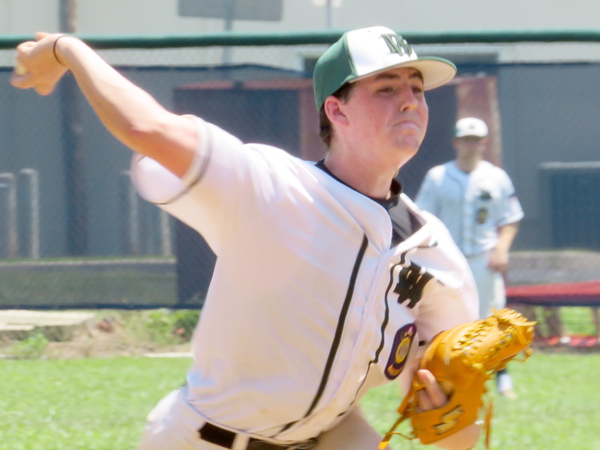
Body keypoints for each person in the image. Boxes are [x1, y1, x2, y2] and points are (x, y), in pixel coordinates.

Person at [11, 26, 481, 450]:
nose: (409, 101)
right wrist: (66, 48)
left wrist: (446, 411)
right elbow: (146, 127)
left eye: (417, 89)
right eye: (386, 87)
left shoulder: (435, 252)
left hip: (329, 435)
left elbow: (451, 420)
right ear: (336, 110)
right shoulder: (270, 185)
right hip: (206, 441)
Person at [415, 117, 524, 399]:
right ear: (455, 142)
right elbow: (422, 218)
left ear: (484, 144)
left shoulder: (496, 177)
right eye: (465, 139)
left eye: (476, 140)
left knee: (493, 319)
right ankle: (452, 377)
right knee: (448, 318)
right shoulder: (438, 176)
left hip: (483, 256)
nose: (470, 145)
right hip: (447, 258)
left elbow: (510, 219)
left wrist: (502, 249)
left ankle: (502, 377)